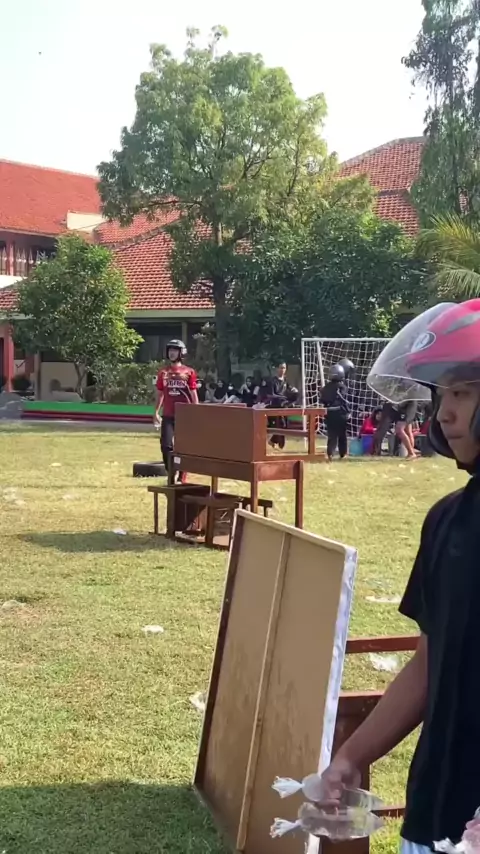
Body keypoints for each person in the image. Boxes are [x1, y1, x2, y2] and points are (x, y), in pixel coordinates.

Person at [319, 299, 480, 852]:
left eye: (462, 393)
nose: (444, 414)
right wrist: (351, 757)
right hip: (437, 807)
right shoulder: (447, 521)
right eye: (443, 395)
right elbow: (429, 663)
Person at [154, 339, 198, 481]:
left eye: (175, 350)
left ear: (181, 353)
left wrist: (197, 411)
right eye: (170, 350)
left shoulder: (189, 372)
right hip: (168, 415)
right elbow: (160, 393)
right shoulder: (163, 373)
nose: (172, 353)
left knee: (184, 447)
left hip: (185, 415)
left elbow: (193, 393)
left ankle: (182, 476)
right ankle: (171, 471)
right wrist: (156, 412)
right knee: (166, 446)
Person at [320, 363, 351, 461]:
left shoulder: (325, 388)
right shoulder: (342, 387)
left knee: (332, 435)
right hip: (340, 414)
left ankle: (330, 453)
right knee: (342, 434)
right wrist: (348, 412)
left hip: (329, 414)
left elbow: (323, 400)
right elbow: (343, 400)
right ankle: (343, 453)